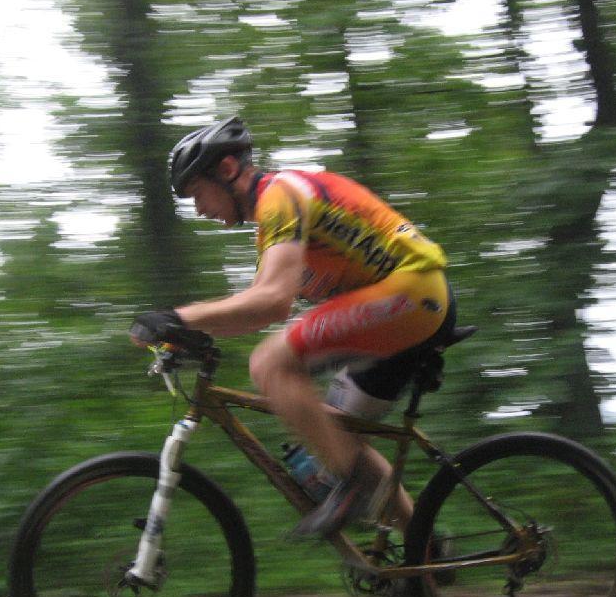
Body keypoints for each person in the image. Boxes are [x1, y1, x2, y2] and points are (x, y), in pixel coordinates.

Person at [130, 116, 454, 538]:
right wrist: (188, 335)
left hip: (413, 293)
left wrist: (178, 317)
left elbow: (272, 303)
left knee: (269, 364)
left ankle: (352, 488)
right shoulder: (273, 223)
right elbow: (254, 308)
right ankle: (424, 551)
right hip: (401, 309)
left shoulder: (281, 195)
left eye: (197, 193)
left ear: (227, 170)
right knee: (336, 437)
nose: (199, 209)